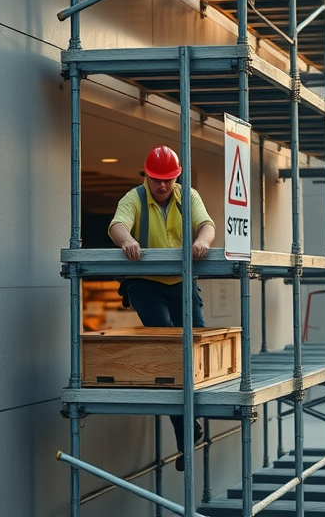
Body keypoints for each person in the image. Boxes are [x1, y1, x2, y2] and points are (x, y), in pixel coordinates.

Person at [107, 145, 216, 471]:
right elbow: (117, 224)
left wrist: (203, 241)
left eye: (168, 180)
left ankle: (189, 429)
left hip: (181, 282)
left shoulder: (188, 196)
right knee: (171, 357)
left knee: (196, 346)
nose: (163, 186)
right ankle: (187, 437)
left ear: (176, 177)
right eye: (157, 180)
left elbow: (207, 225)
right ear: (147, 176)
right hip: (146, 285)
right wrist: (126, 240)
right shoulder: (135, 198)